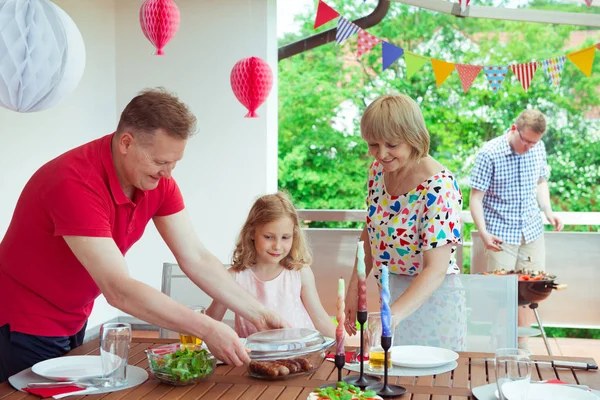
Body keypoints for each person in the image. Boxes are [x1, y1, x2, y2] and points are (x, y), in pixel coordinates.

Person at [0, 88, 287, 382]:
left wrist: (257, 312)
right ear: (126, 142)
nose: (167, 173)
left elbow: (196, 257)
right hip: (21, 322)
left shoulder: (157, 181)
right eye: (161, 162)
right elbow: (119, 289)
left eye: (174, 163)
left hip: (73, 316)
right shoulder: (74, 182)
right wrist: (207, 328)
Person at [343, 94, 466, 351]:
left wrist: (391, 317)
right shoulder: (378, 171)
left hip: (433, 302)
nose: (381, 154)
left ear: (413, 137)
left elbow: (435, 269)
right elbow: (371, 228)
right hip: (390, 293)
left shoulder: (439, 186)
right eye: (373, 144)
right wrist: (357, 284)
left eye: (392, 144)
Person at [469, 109, 563, 350]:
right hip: (500, 234)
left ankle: (523, 347)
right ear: (514, 128)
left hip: (531, 230)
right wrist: (483, 232)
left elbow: (541, 181)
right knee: (503, 295)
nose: (530, 147)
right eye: (527, 141)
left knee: (531, 291)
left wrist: (548, 211)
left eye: (535, 142)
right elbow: (475, 198)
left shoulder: (537, 148)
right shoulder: (489, 153)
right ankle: (502, 346)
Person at [207, 192, 336, 339]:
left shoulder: (300, 273)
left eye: (285, 237)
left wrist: (345, 346)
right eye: (269, 237)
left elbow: (320, 319)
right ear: (251, 233)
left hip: (301, 357)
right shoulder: (233, 278)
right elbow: (211, 322)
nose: (277, 246)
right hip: (254, 360)